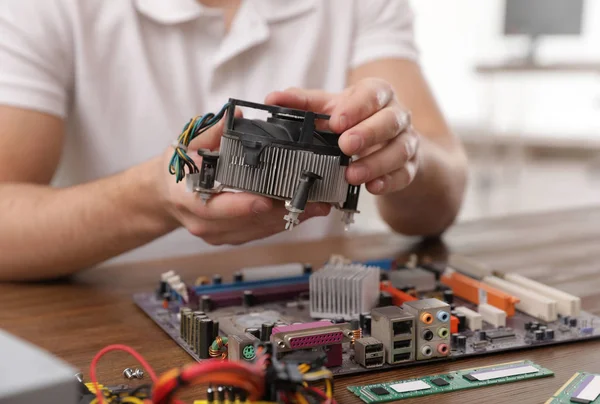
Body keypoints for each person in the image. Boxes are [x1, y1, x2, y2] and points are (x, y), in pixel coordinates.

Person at [0, 0, 468, 281]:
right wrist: (151, 198)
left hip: (307, 307)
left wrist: (403, 155)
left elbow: (439, 202)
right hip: (108, 313)